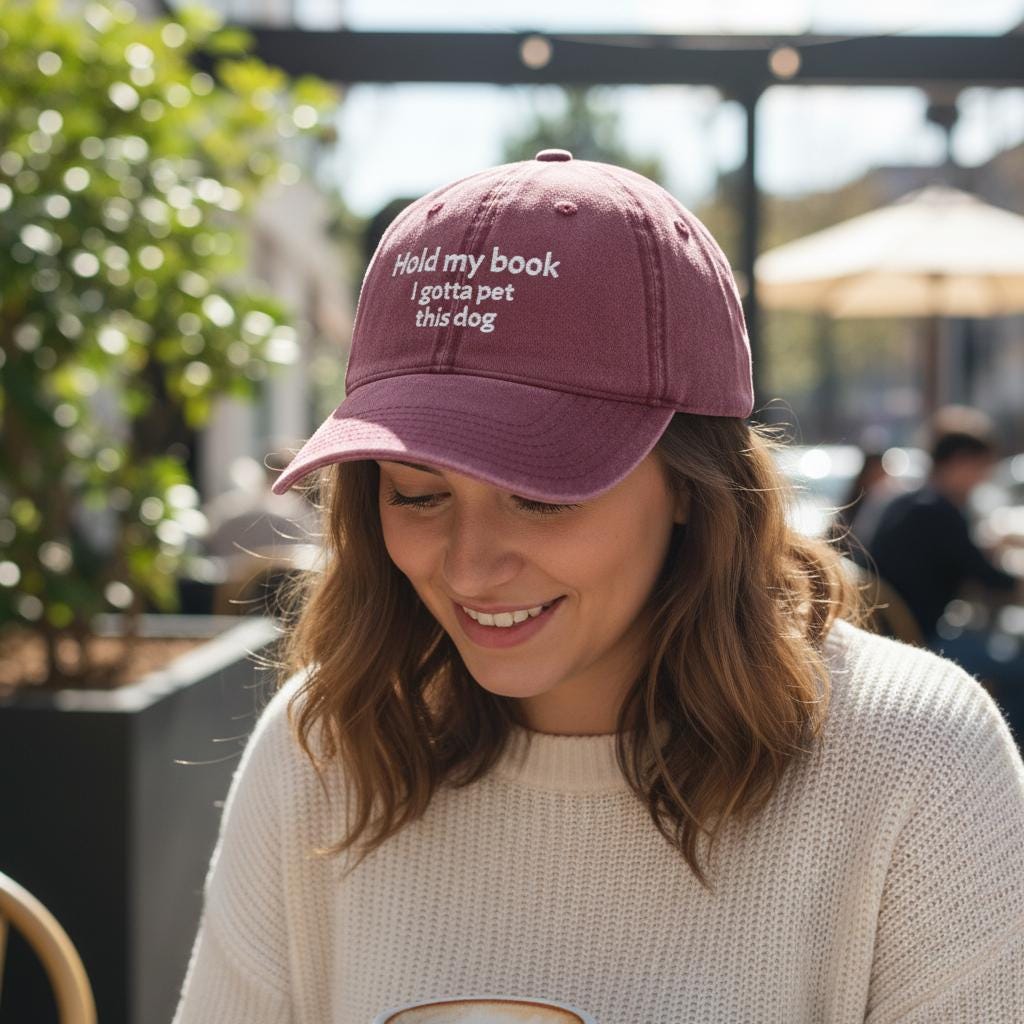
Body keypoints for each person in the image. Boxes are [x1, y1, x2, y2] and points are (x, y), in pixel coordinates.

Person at [171, 151, 1024, 1023]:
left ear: (694, 485)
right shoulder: (324, 746)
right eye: (417, 494)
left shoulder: (918, 764)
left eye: (542, 494)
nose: (468, 566)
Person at [867, 406, 1022, 644]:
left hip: (891, 630)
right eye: (982, 467)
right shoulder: (936, 510)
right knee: (1014, 661)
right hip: (919, 637)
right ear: (961, 463)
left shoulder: (909, 500)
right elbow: (989, 579)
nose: (984, 478)